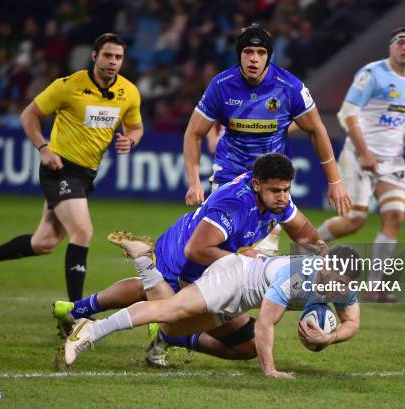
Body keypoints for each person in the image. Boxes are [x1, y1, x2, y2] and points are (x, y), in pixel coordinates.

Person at [54, 153, 329, 366]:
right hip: (187, 257)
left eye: (286, 190)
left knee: (246, 345)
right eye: (276, 191)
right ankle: (115, 299)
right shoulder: (236, 205)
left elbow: (305, 233)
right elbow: (196, 250)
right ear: (257, 185)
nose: (283, 197)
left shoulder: (275, 199)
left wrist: (324, 254)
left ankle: (79, 310)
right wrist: (241, 258)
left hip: (216, 262)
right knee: (163, 308)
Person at [0, 33, 144, 302]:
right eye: (107, 55)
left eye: (118, 57)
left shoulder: (128, 92)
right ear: (94, 57)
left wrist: (130, 140)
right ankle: (74, 311)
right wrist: (43, 148)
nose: (113, 62)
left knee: (44, 242)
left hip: (85, 174)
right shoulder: (68, 85)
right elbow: (30, 114)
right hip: (60, 168)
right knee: (83, 231)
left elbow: (136, 127)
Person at [64, 245, 361, 378]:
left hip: (243, 298)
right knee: (169, 309)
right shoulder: (298, 276)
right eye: (335, 280)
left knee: (174, 328)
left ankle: (145, 264)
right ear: (324, 267)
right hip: (234, 278)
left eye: (344, 285)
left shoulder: (343, 283)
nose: (337, 290)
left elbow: (352, 322)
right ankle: (91, 329)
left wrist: (330, 338)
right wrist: (269, 371)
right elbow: (265, 325)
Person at [183, 23, 351, 256]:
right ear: (239, 55)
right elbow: (194, 133)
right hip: (230, 177)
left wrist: (335, 181)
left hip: (272, 181)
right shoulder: (221, 86)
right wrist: (193, 181)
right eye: (248, 52)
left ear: (269, 57)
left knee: (262, 254)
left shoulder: (290, 87)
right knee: (220, 255)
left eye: (261, 53)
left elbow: (316, 129)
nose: (254, 59)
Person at [317, 27, 405, 302]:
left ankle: (374, 288)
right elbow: (347, 113)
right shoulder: (372, 74)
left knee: (395, 217)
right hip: (360, 155)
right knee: (354, 221)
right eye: (400, 42)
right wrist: (364, 153)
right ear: (391, 48)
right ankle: (309, 245)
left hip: (393, 161)